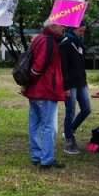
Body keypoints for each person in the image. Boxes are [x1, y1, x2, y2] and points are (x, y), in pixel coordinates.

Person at [20, 20, 67, 169]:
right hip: (45, 90)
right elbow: (38, 67)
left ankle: (37, 156)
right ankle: (46, 160)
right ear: (53, 26)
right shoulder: (48, 41)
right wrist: (31, 80)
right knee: (49, 127)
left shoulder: (38, 38)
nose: (64, 28)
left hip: (35, 90)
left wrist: (27, 83)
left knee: (35, 125)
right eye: (62, 25)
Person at [60, 21, 91, 155]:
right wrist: (65, 87)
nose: (82, 34)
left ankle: (69, 130)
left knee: (86, 109)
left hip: (80, 83)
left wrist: (85, 81)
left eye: (84, 31)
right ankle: (68, 142)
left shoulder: (79, 44)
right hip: (70, 84)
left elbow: (81, 65)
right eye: (80, 31)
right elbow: (63, 68)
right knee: (70, 112)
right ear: (73, 30)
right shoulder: (65, 45)